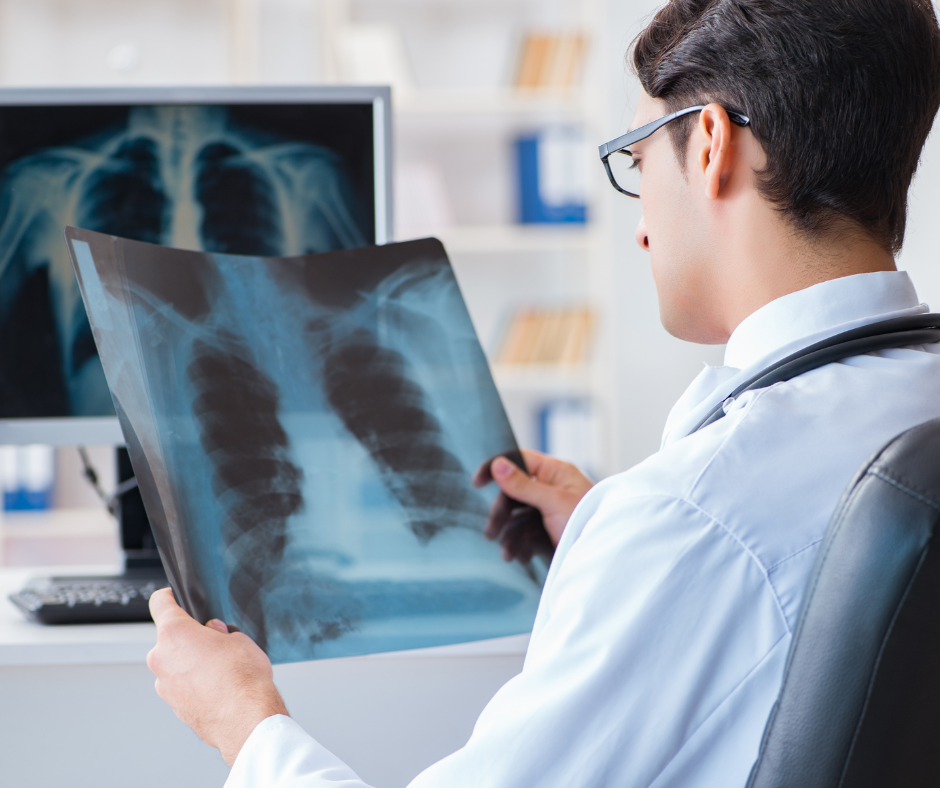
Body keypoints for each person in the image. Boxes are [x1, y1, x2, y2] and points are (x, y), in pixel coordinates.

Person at [146, 0, 940, 785]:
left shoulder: (691, 519)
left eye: (635, 158)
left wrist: (245, 723)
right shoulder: (910, 403)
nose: (639, 226)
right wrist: (608, 535)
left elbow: (727, 542)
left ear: (709, 146)